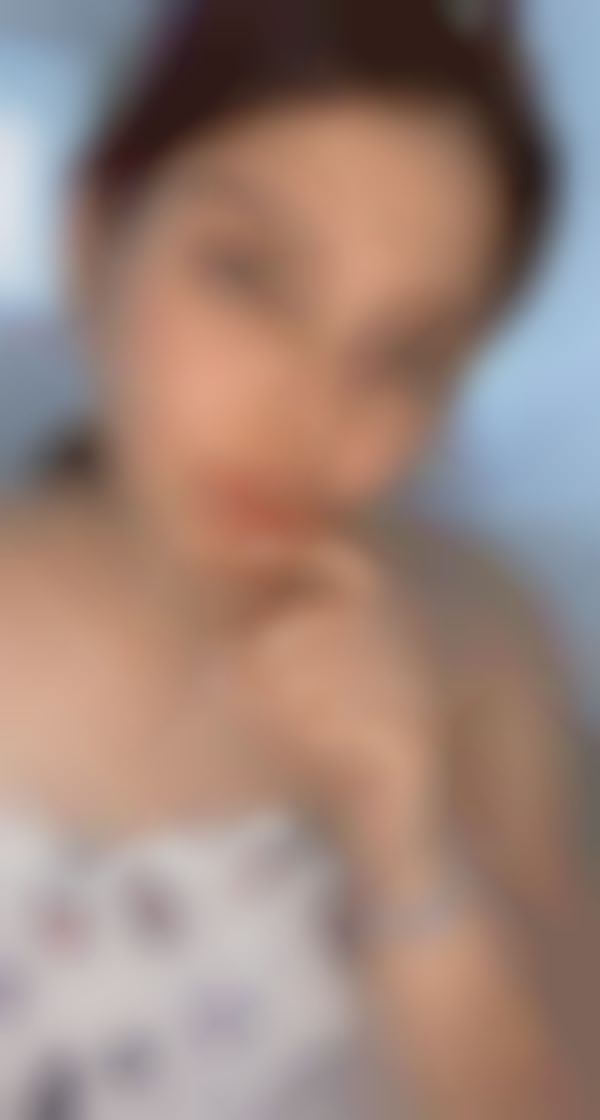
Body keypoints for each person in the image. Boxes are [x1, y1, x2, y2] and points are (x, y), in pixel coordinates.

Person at [0, 1, 596, 1116]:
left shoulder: (484, 648)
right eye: (250, 275)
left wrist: (409, 856)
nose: (309, 406)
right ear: (93, 240)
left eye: (404, 353)